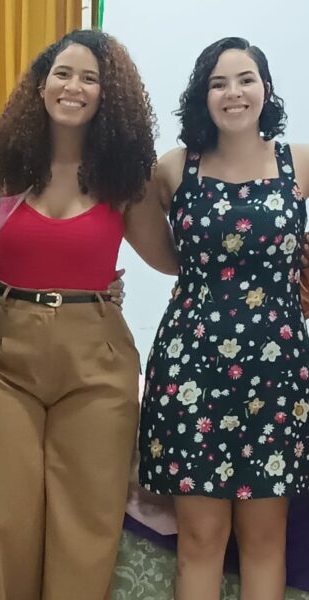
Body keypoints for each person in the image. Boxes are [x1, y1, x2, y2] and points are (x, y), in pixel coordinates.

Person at [0, 29, 169, 600]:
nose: (73, 87)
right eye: (63, 73)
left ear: (108, 95)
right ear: (41, 85)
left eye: (90, 78)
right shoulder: (2, 165)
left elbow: (173, 260)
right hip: (3, 356)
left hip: (97, 358)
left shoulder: (126, 179)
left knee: (85, 527)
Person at [130, 37, 309, 600]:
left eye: (246, 79)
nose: (234, 93)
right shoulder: (174, 168)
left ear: (266, 89)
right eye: (218, 83)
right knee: (201, 539)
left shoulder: (299, 162)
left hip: (278, 373)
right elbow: (159, 253)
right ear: (202, 96)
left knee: (265, 539)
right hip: (192, 370)